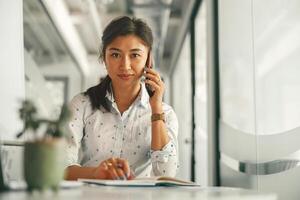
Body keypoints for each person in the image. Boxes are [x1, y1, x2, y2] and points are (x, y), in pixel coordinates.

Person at [64, 16, 179, 180]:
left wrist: (156, 110)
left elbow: (166, 174)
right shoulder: (82, 104)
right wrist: (96, 174)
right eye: (116, 55)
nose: (125, 66)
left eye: (135, 55)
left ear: (148, 59)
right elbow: (59, 167)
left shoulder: (165, 113)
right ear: (104, 58)